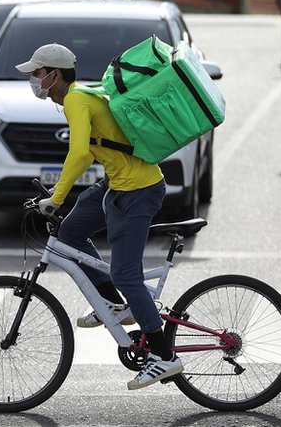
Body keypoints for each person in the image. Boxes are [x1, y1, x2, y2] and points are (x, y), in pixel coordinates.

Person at [15, 43, 182, 390]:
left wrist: (57, 197)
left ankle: (164, 356)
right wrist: (59, 200)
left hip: (137, 191)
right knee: (70, 232)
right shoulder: (78, 97)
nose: (33, 79)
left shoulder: (76, 99)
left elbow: (78, 154)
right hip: (116, 184)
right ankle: (114, 304)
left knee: (125, 273)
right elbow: (96, 150)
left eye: (36, 72)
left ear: (54, 75)